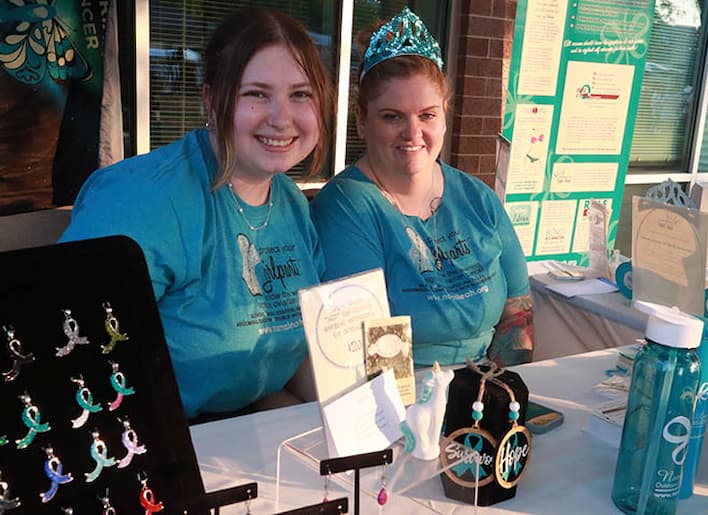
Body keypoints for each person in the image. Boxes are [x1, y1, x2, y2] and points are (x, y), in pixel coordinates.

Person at [59, 7, 333, 419]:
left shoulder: (291, 201)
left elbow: (294, 354)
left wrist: (369, 412)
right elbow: (71, 355)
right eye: (256, 94)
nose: (282, 118)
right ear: (211, 98)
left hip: (247, 423)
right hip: (155, 437)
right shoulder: (144, 200)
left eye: (300, 94)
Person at [311, 7, 534, 367]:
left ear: (445, 117)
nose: (413, 134)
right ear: (362, 122)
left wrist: (504, 394)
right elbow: (371, 353)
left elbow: (517, 313)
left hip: (482, 401)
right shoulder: (347, 207)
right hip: (404, 407)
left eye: (427, 115)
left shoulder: (478, 198)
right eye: (392, 116)